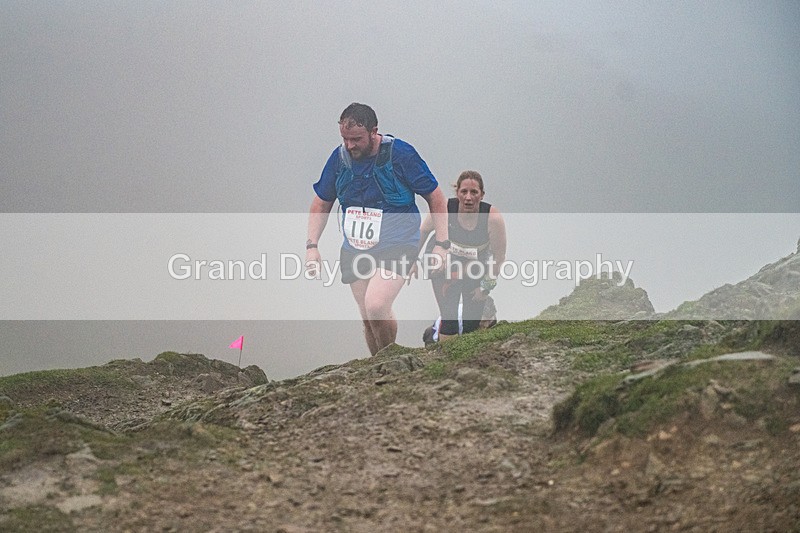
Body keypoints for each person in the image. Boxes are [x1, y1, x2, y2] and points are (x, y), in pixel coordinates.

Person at [305, 103, 449, 355]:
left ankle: (391, 359)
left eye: (356, 139)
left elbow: (436, 197)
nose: (350, 146)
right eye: (345, 139)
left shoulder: (401, 155)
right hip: (355, 247)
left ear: (374, 132)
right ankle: (380, 368)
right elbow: (321, 203)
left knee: (376, 306)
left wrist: (442, 244)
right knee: (369, 320)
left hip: (399, 244)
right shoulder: (339, 159)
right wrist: (312, 246)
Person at [416, 170, 506, 342]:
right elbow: (423, 231)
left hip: (475, 266)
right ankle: (441, 348)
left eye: (474, 192)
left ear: (482, 195)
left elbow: (499, 257)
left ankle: (440, 337)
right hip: (442, 262)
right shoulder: (445, 208)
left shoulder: (492, 218)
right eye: (464, 192)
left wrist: (485, 288)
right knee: (449, 320)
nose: (468, 198)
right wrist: (412, 260)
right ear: (457, 192)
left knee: (470, 325)